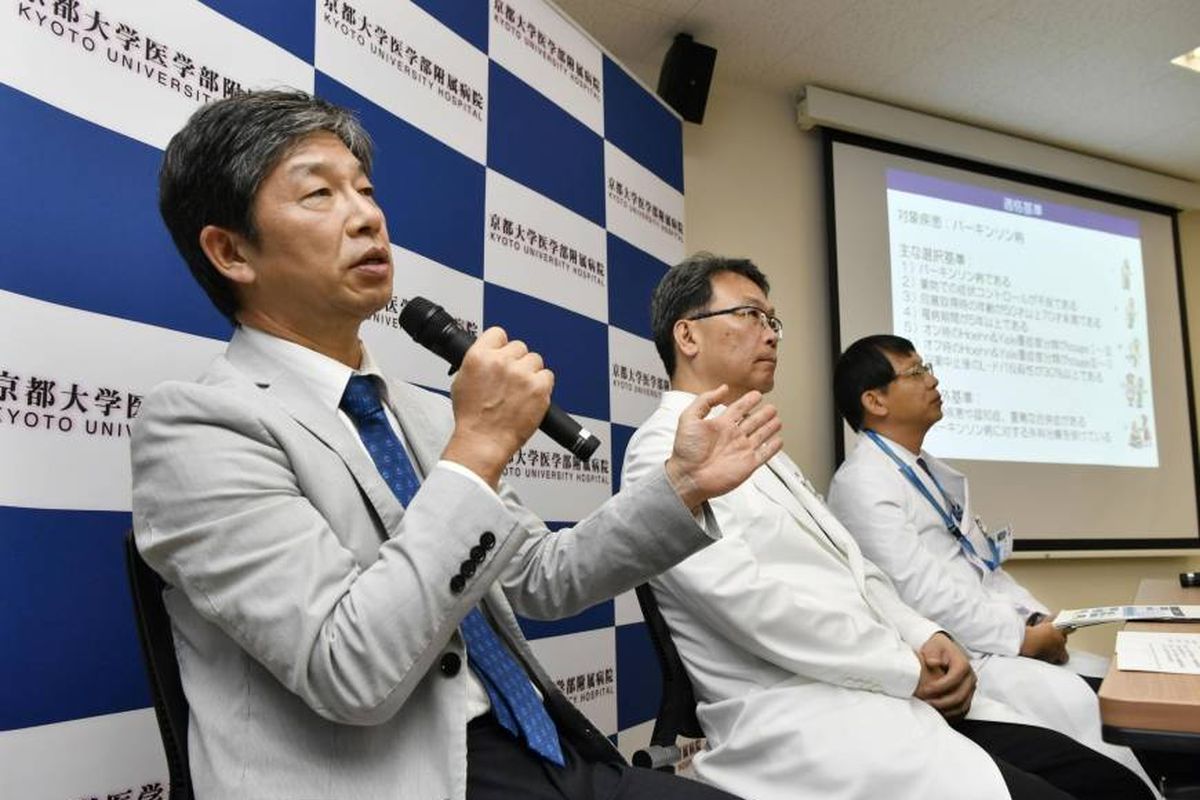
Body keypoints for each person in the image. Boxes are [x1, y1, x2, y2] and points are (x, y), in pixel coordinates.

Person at [132, 90, 783, 800]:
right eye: (319, 193)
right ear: (231, 251)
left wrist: (682, 485)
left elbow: (542, 576)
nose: (367, 216)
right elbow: (345, 670)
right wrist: (476, 448)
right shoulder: (197, 425)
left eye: (366, 189)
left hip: (540, 744)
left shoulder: (422, 412)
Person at [622, 253, 1153, 800]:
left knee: (1107, 780)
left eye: (773, 321)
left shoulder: (760, 447)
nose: (771, 335)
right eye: (752, 315)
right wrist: (904, 665)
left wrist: (927, 635)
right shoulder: (661, 456)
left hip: (885, 690)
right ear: (688, 336)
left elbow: (857, 568)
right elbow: (756, 609)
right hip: (805, 716)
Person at [826, 334, 1155, 791]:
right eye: (916, 372)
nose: (933, 379)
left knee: (1132, 697)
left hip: (1004, 640)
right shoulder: (861, 483)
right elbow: (921, 595)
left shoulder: (922, 471)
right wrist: (1022, 638)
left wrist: (1038, 619)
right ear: (874, 400)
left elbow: (986, 569)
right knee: (1101, 740)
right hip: (974, 655)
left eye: (927, 367)